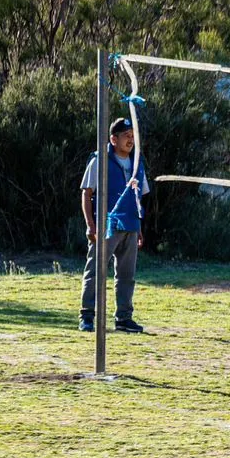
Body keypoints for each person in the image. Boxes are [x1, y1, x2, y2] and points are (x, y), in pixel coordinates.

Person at [79, 118, 148, 334]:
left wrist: (139, 229)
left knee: (127, 275)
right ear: (113, 139)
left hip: (130, 225)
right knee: (96, 271)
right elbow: (86, 193)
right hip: (106, 227)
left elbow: (138, 198)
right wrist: (91, 226)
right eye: (126, 135)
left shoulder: (138, 163)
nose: (130, 139)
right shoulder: (100, 161)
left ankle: (123, 319)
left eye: (132, 135)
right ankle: (87, 316)